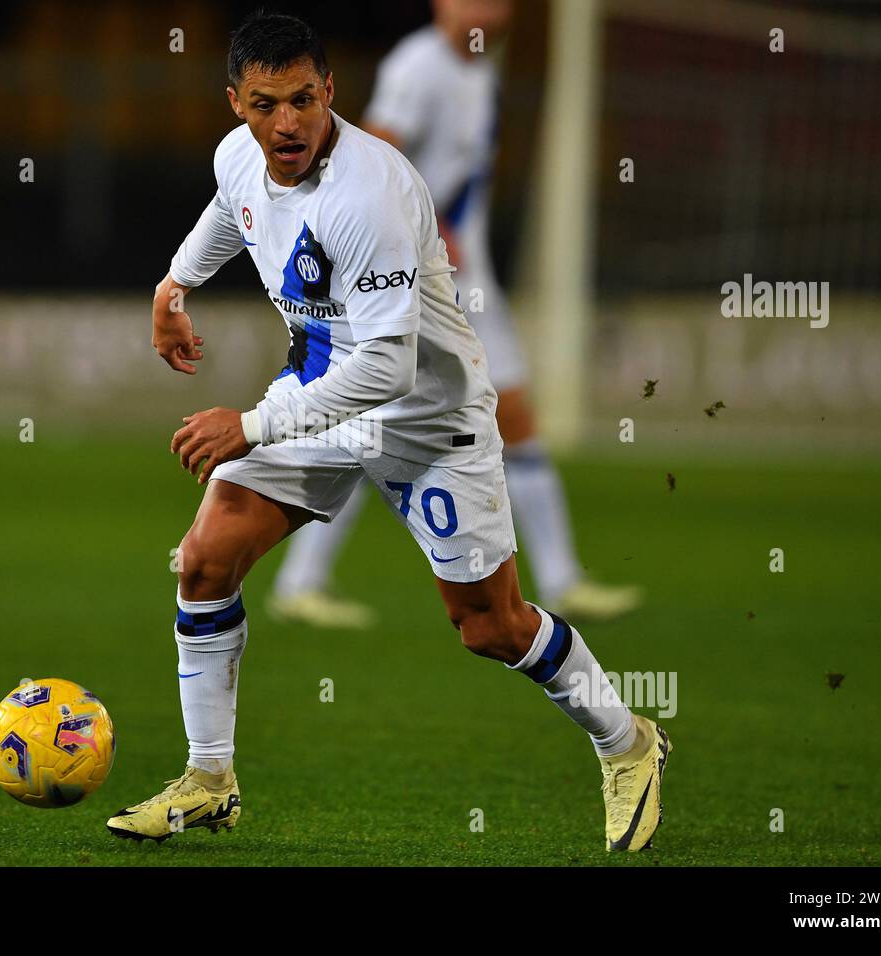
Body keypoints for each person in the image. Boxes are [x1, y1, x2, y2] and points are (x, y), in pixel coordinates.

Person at [104, 12, 670, 852]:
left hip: (426, 419)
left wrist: (253, 425)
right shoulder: (240, 157)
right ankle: (209, 778)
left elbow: (389, 371)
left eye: (303, 99)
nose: (286, 123)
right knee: (206, 557)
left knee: (490, 626)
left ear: (331, 91)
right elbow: (234, 208)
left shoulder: (371, 190)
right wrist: (174, 284)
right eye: (265, 104)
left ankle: (629, 742)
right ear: (236, 104)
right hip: (320, 391)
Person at [269, 0, 641, 630]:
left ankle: (562, 579)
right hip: (422, 279)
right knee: (386, 421)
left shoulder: (478, 69)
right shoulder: (419, 66)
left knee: (498, 417)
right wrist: (427, 228)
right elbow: (368, 159)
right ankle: (297, 578)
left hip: (465, 279)